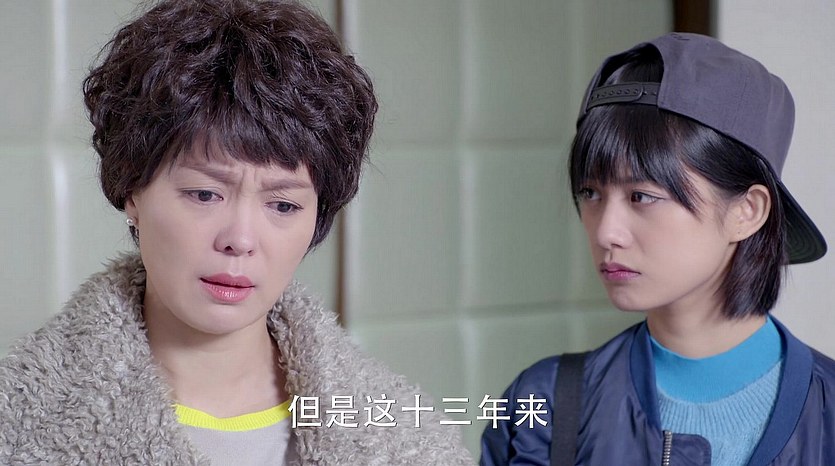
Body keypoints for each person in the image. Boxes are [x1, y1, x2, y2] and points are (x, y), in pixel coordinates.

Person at [0, 0, 473, 464]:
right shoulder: (19, 424)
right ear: (132, 191)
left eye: (283, 205)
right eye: (205, 194)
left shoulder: (406, 440)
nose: (240, 240)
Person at [481, 32, 834, 465]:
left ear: (747, 211)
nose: (606, 232)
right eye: (590, 193)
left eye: (642, 196)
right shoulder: (543, 408)